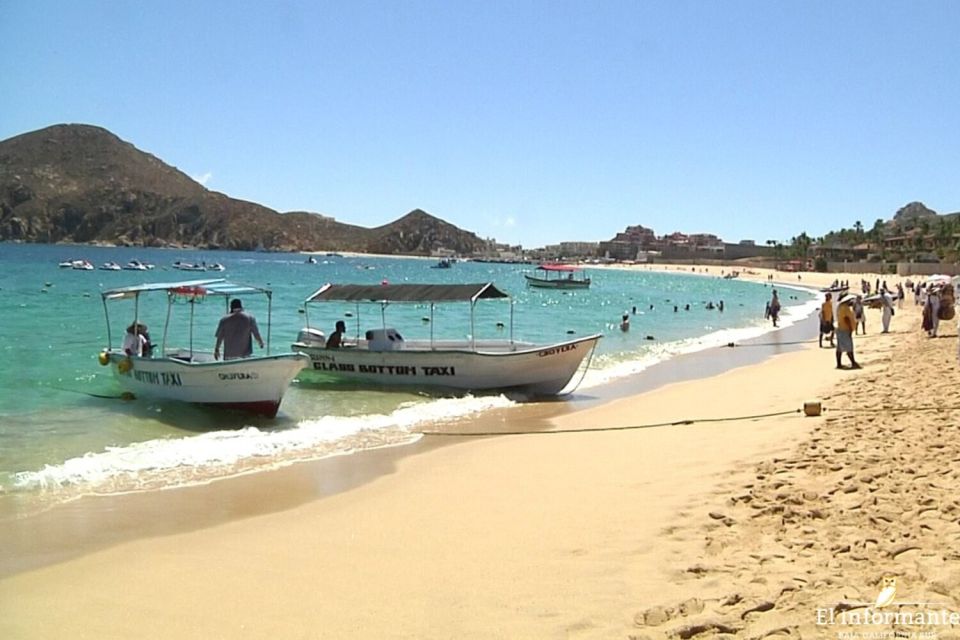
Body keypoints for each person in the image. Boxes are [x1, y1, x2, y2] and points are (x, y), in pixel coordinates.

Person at [835, 293, 860, 369]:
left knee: (839, 348)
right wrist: (850, 329)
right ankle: (853, 362)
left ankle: (839, 364)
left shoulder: (839, 307)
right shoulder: (845, 308)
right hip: (845, 329)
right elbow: (847, 319)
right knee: (849, 347)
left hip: (840, 328)